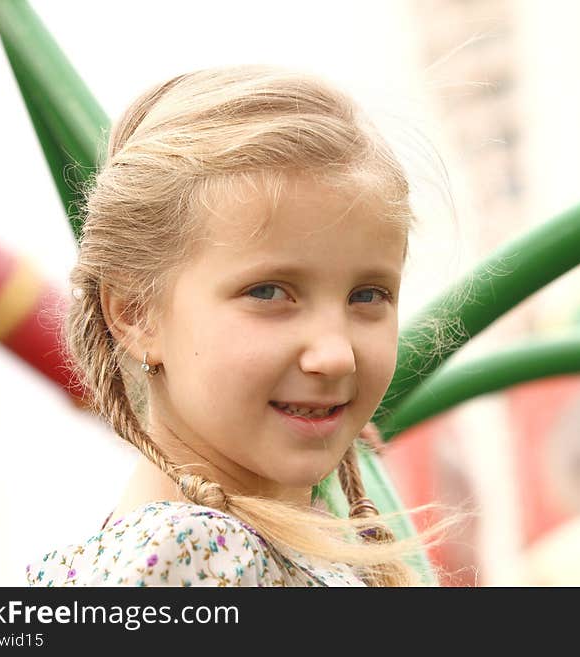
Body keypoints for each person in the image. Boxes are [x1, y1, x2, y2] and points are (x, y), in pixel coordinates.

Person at [25, 65, 457, 587]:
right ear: (136, 313)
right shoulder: (197, 557)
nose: (336, 355)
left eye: (367, 295)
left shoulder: (244, 552)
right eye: (269, 293)